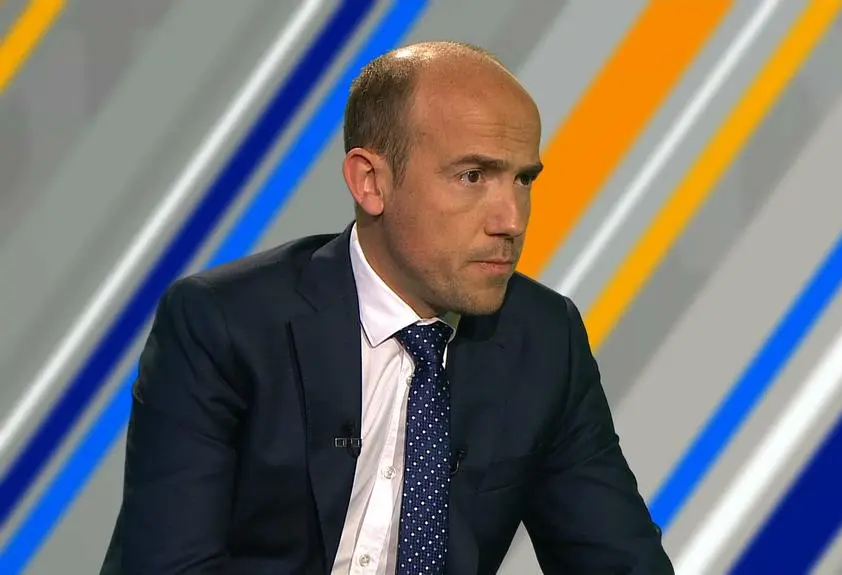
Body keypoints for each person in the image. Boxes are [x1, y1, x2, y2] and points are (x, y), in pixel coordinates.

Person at [100, 41, 673, 575]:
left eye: (523, 180)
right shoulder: (224, 324)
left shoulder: (544, 338)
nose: (512, 220)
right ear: (370, 182)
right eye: (473, 176)